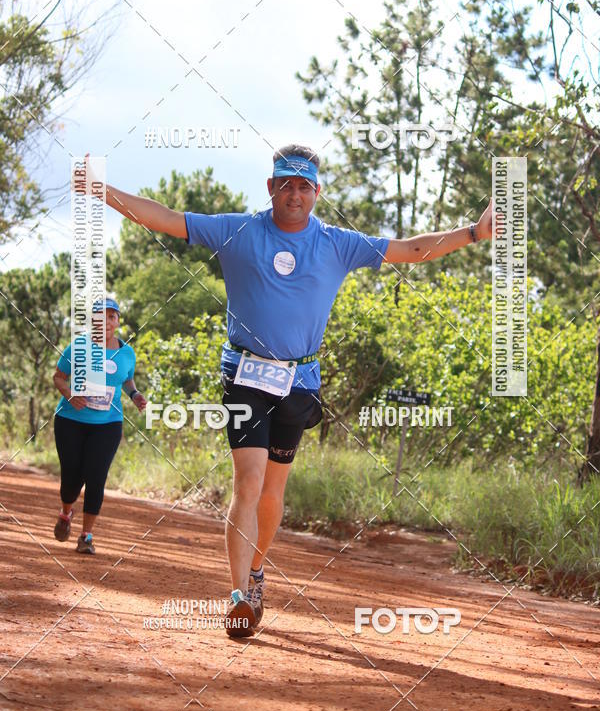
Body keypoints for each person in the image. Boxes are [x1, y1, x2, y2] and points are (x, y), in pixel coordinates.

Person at [86, 144, 492, 634]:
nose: (293, 195)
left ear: (316, 192)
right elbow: (166, 218)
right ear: (270, 187)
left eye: (303, 186)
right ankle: (238, 595)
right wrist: (101, 190)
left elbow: (411, 249)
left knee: (273, 492)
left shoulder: (338, 243)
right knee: (248, 481)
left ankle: (257, 572)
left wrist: (475, 233)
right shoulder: (238, 231)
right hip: (244, 376)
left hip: (299, 382)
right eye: (285, 185)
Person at [53, 297, 147, 554]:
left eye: (111, 316)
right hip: (70, 421)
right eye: (99, 316)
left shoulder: (126, 353)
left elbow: (127, 380)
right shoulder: (78, 346)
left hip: (108, 424)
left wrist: (135, 395)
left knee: (96, 477)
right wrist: (70, 395)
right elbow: (59, 377)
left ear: (117, 321)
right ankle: (65, 513)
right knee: (71, 479)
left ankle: (86, 536)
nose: (106, 321)